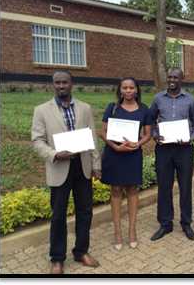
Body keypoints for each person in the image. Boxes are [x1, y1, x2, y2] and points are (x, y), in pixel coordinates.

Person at [31, 70, 101, 274]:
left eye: (64, 82)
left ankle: (81, 251)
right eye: (57, 83)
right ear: (53, 85)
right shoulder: (42, 110)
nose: (61, 86)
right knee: (59, 215)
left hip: (82, 166)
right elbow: (37, 140)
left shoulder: (85, 108)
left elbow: (92, 139)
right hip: (59, 167)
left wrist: (96, 165)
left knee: (85, 212)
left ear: (72, 84)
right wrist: (53, 154)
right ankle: (57, 258)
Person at [149, 68, 194, 241]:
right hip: (164, 149)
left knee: (185, 187)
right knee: (164, 186)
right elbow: (151, 121)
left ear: (182, 79)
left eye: (175, 77)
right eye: (170, 77)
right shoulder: (158, 98)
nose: (172, 80)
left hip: (184, 149)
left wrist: (191, 138)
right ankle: (165, 224)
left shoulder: (190, 100)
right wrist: (155, 135)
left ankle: (186, 223)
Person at [99, 77, 152, 251]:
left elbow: (147, 134)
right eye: (125, 88)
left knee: (132, 190)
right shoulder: (112, 108)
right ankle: (117, 233)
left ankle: (132, 231)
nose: (128, 91)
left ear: (136, 90)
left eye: (131, 88)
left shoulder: (144, 109)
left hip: (132, 155)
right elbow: (103, 132)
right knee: (115, 190)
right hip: (114, 154)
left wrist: (138, 143)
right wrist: (115, 146)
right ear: (120, 90)